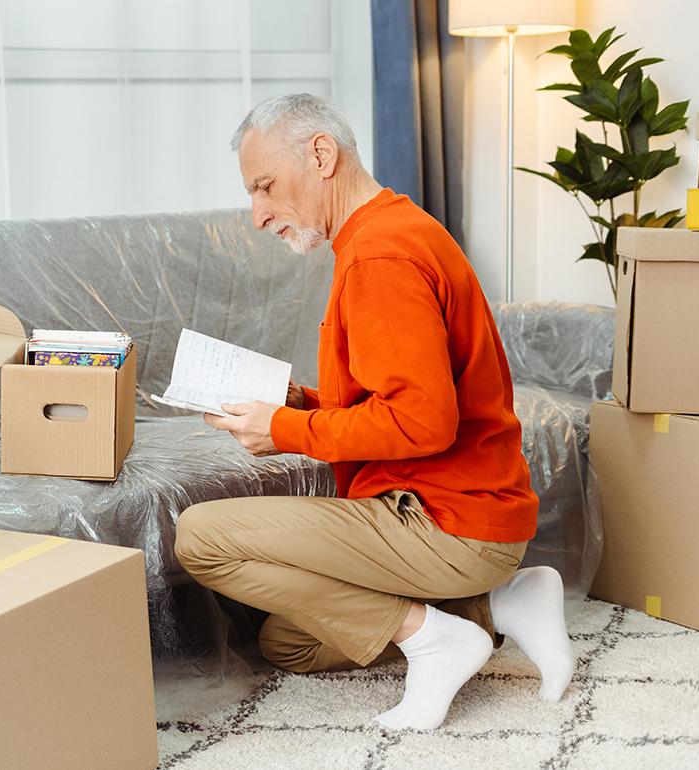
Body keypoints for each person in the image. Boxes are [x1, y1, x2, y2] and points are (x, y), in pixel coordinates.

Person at [173, 93, 574, 730]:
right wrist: (302, 403)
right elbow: (398, 395)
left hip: (446, 521)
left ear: (321, 155)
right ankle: (498, 607)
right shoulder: (390, 229)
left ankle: (436, 640)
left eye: (265, 187)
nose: (258, 215)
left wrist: (285, 429)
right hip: (461, 514)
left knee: (201, 537)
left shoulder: (380, 256)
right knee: (291, 642)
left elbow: (423, 422)